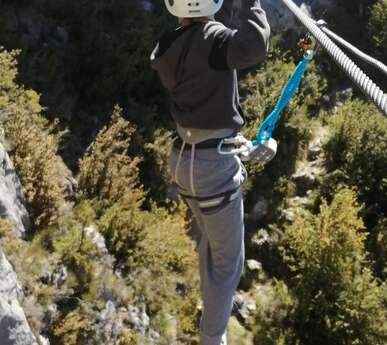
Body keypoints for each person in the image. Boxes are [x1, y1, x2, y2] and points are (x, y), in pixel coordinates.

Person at [150, 0, 270, 343]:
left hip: (185, 161)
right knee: (228, 263)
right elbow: (254, 45)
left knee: (212, 248)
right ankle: (212, 339)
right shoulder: (213, 39)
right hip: (212, 169)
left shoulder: (167, 43)